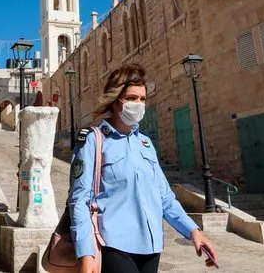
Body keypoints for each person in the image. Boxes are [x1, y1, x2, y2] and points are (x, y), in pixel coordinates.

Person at [69, 63, 218, 273]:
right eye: (131, 98)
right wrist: (86, 254)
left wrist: (193, 231)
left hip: (151, 247)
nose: (138, 104)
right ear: (115, 101)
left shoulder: (145, 144)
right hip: (112, 245)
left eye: (142, 99)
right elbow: (79, 200)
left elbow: (164, 197)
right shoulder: (94, 140)